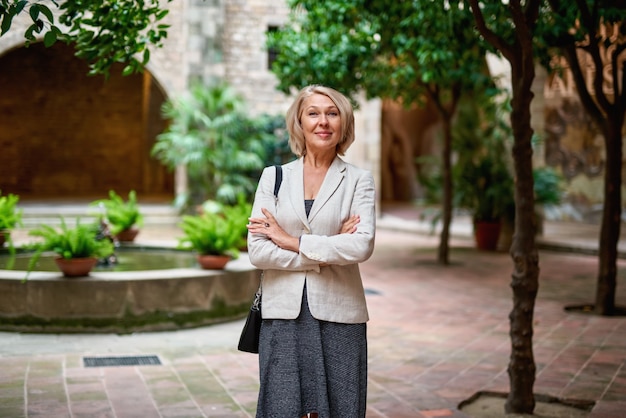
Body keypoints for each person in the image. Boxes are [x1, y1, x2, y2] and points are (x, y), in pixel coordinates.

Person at [246, 85, 376, 418]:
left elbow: (361, 245)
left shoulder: (359, 180)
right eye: (313, 113)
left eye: (332, 113)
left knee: (341, 407)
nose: (323, 122)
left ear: (344, 123)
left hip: (340, 311)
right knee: (281, 406)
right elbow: (258, 251)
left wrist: (290, 241)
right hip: (282, 312)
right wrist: (329, 246)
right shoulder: (273, 178)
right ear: (299, 123)